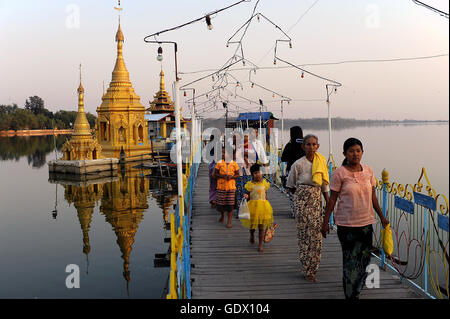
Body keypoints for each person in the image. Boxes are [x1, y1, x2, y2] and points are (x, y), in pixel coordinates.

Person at [321, 137, 389, 299]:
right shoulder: (339, 173)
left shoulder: (368, 171)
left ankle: (354, 285)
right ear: (345, 153)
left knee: (365, 259)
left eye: (358, 151)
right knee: (351, 260)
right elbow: (332, 199)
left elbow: (373, 197)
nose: (355, 154)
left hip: (366, 224)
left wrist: (382, 216)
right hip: (346, 225)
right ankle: (351, 293)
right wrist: (325, 222)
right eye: (351, 151)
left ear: (362, 152)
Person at [286, 134, 330, 282]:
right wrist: (302, 196)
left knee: (316, 236)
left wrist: (329, 205)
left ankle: (314, 267)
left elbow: (324, 187)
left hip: (317, 203)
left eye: (314, 144)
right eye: (308, 144)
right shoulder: (298, 164)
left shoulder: (321, 162)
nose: (311, 147)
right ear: (303, 147)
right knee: (305, 236)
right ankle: (307, 269)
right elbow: (291, 186)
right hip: (302, 204)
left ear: (318, 146)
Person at [241, 163, 274, 252]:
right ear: (252, 175)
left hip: (263, 207)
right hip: (253, 207)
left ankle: (260, 245)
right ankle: (251, 234)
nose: (258, 174)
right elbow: (247, 193)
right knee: (252, 226)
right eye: (255, 173)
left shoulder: (265, 184)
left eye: (259, 172)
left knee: (261, 227)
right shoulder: (250, 185)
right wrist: (246, 195)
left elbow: (265, 195)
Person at [281, 126, 305, 218]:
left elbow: (283, 158)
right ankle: (302, 211)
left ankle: (294, 212)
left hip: (291, 170)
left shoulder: (290, 145)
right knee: (302, 191)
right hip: (304, 171)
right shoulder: (305, 144)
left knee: (292, 191)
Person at [213, 146, 240, 228]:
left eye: (225, 153)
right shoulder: (219, 163)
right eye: (222, 152)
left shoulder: (234, 164)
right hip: (221, 187)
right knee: (221, 204)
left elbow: (237, 174)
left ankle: (229, 221)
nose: (223, 154)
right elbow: (215, 174)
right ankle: (222, 215)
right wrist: (222, 176)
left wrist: (231, 177)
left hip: (231, 187)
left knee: (230, 204)